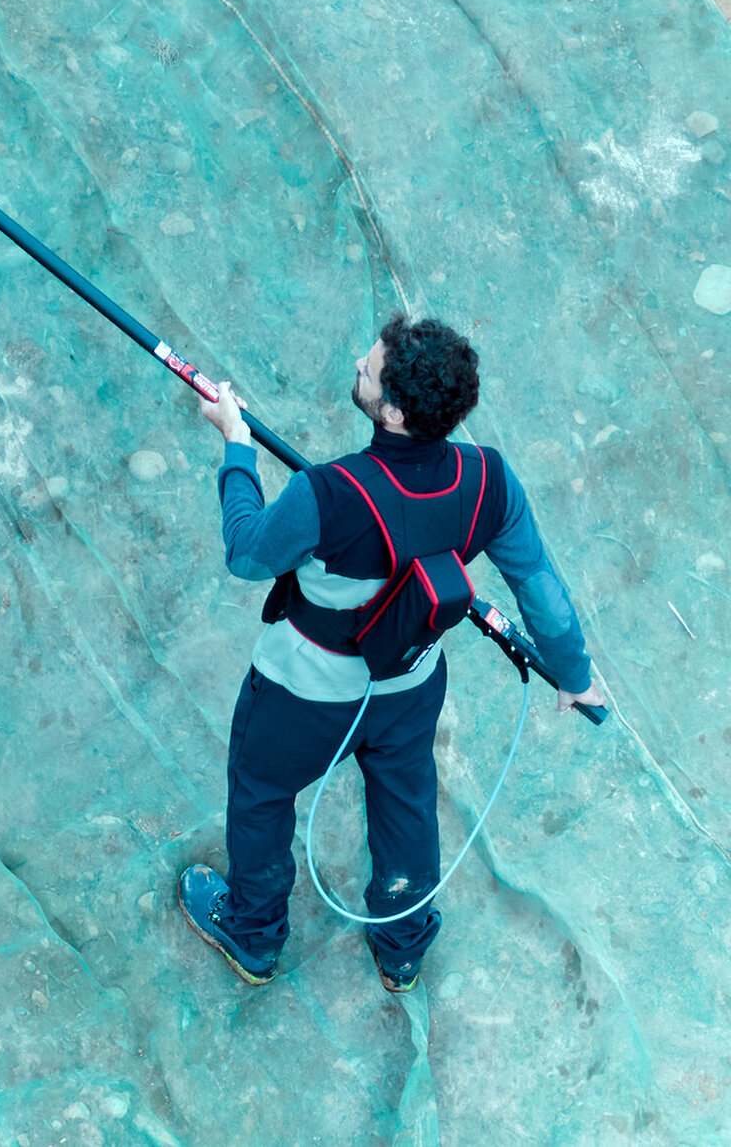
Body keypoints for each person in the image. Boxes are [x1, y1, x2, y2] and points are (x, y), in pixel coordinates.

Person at [177, 315, 606, 992]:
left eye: (369, 368)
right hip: (411, 680)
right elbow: (539, 587)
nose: (357, 361)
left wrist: (236, 443)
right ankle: (402, 946)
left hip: (305, 693)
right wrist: (575, 675)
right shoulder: (489, 478)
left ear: (396, 412)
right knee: (406, 801)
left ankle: (253, 934)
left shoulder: (328, 493)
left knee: (262, 794)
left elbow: (247, 550)